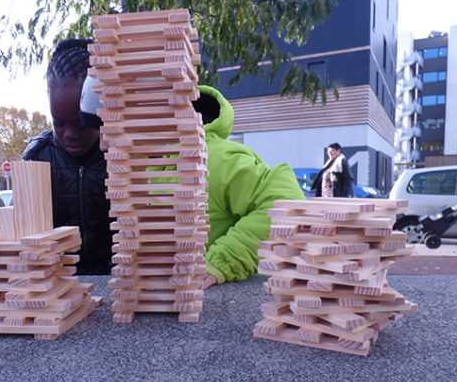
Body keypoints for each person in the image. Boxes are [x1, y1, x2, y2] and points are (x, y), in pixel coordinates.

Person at [81, 78, 305, 288]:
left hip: (225, 306)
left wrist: (221, 262)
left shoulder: (212, 158)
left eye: (111, 128)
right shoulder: (140, 170)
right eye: (97, 131)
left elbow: (286, 203)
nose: (102, 146)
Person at [23, 38, 112, 275]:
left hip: (118, 280)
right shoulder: (37, 158)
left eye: (82, 124)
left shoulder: (120, 156)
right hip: (60, 285)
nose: (70, 135)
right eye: (58, 123)